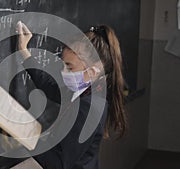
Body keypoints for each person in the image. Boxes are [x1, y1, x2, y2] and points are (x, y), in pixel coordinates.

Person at [16, 21, 127, 169]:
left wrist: (25, 138)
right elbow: (49, 86)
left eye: (69, 67)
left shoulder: (88, 107)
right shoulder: (84, 90)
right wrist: (24, 52)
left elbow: (59, 164)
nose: (63, 73)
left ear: (92, 72)